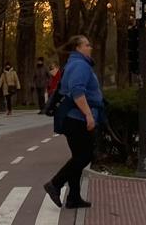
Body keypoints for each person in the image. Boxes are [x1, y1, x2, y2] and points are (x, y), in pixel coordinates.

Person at [43, 35, 102, 210]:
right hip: (77, 118)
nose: (90, 47)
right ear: (78, 48)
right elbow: (77, 91)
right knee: (86, 155)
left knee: (78, 156)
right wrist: (89, 115)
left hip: (73, 117)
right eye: (87, 44)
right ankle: (55, 183)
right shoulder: (80, 65)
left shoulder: (74, 63)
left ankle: (74, 197)